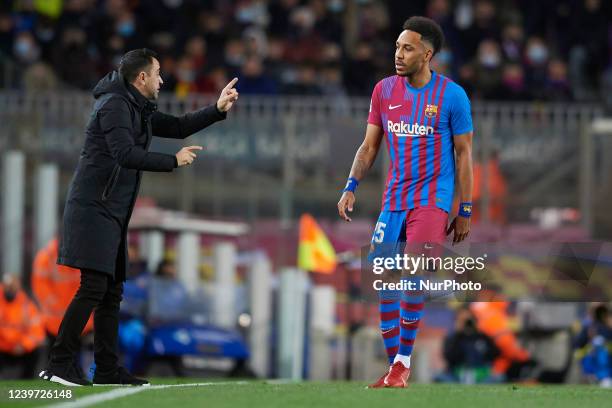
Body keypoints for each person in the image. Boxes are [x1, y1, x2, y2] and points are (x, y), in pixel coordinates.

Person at [40, 48, 239, 387]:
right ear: (142, 77)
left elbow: (177, 126)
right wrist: (172, 161)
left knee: (112, 290)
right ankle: (59, 364)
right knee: (93, 287)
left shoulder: (136, 107)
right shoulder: (114, 105)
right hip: (93, 208)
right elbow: (124, 154)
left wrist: (217, 110)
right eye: (158, 73)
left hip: (113, 211)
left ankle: (105, 368)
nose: (163, 80)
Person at [337, 16, 474, 388]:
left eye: (407, 47)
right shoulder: (384, 90)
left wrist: (464, 209)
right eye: (397, 46)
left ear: (427, 54)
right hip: (394, 201)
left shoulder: (452, 96)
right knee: (383, 279)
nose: (398, 54)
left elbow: (464, 156)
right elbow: (369, 146)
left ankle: (402, 363)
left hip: (432, 201)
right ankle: (394, 367)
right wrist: (351, 185)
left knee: (414, 273)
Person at [0, 274, 46, 379]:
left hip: (21, 348)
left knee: (37, 350)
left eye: (12, 287)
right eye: (7, 287)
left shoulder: (27, 305)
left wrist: (23, 345)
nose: (9, 290)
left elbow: (37, 332)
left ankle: (26, 380)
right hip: (2, 348)